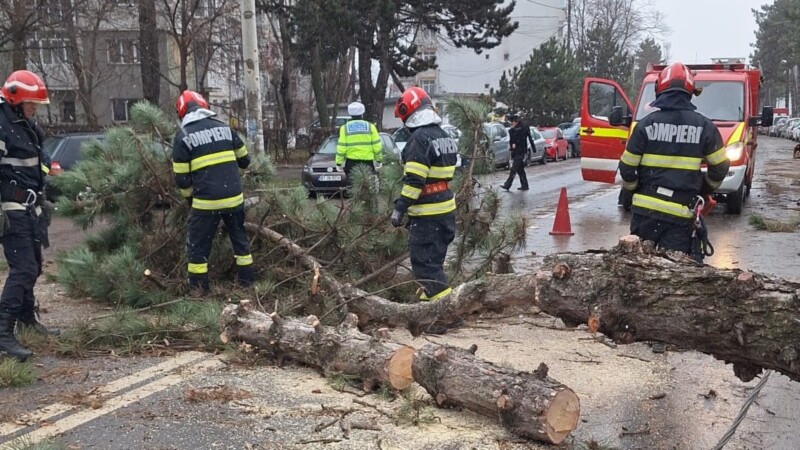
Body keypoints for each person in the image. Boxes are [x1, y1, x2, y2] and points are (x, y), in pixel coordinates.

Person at [619, 62, 729, 260]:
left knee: (639, 269)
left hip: (645, 213)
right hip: (680, 216)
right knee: (674, 273)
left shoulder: (645, 125)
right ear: (691, 92)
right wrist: (704, 188)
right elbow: (720, 167)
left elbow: (627, 168)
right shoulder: (704, 126)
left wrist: (635, 188)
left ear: (659, 89)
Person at [390, 86, 459, 330]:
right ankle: (425, 313)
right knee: (433, 265)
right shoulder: (443, 135)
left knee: (425, 266)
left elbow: (415, 181)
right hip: (445, 212)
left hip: (427, 215)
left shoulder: (419, 139)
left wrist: (400, 208)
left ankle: (445, 316)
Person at [172, 90, 253, 293]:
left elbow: (182, 179)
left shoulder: (183, 136)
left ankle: (200, 292)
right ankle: (247, 286)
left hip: (206, 203)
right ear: (205, 107)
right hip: (234, 199)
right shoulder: (224, 128)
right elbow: (245, 160)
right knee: (241, 244)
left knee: (198, 249)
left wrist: (191, 201)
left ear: (181, 113)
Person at [0, 70, 55, 361]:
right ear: (15, 100)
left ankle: (26, 319)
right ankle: (3, 332)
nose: (35, 108)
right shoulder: (2, 124)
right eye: (31, 103)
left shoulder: (27, 126)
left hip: (30, 207)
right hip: (11, 208)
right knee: (22, 268)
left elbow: (41, 159)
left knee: (32, 265)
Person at [335, 102, 383, 193]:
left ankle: (355, 206)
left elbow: (341, 147)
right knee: (370, 191)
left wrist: (338, 163)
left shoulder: (344, 128)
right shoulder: (371, 127)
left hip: (351, 164)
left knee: (353, 191)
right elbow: (377, 145)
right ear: (362, 113)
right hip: (367, 163)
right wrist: (379, 160)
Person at [501, 113, 534, 191]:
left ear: (516, 122)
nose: (512, 123)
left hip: (521, 152)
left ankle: (507, 184)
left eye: (513, 122)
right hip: (516, 152)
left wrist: (515, 144)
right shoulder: (513, 130)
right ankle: (525, 185)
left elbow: (525, 139)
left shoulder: (522, 130)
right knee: (520, 170)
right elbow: (512, 140)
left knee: (514, 169)